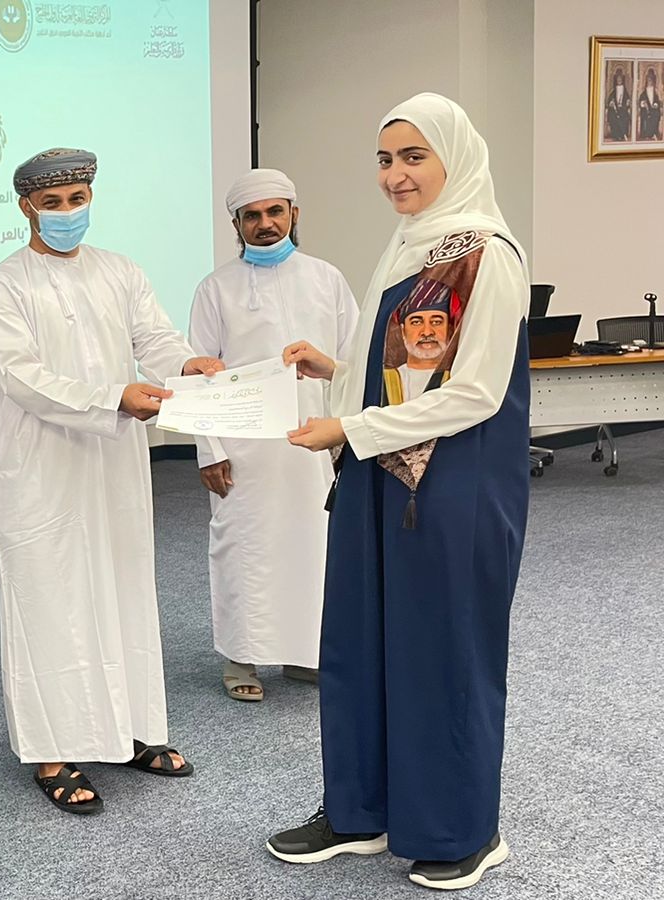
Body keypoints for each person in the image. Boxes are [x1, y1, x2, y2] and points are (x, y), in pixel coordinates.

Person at [268, 93, 529, 892]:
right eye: (385, 159)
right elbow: (407, 366)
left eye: (414, 157)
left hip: (453, 487)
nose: (395, 175)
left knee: (443, 651)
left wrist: (350, 428)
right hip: (376, 478)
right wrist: (337, 373)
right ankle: (362, 810)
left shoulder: (487, 255)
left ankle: (463, 830)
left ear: (455, 158)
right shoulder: (409, 246)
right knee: (360, 642)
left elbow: (475, 393)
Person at [0, 147, 222, 816]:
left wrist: (186, 364)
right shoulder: (2, 287)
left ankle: (131, 729)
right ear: (26, 207)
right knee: (49, 601)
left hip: (113, 462)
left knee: (124, 586)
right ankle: (51, 751)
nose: (66, 212)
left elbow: (154, 337)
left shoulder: (119, 270)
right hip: (40, 467)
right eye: (52, 203)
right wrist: (113, 397)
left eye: (76, 199)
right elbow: (22, 378)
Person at [188, 169, 358, 702]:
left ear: (294, 214)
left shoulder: (327, 278)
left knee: (313, 546)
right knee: (243, 548)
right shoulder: (216, 288)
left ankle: (304, 653)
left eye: (275, 212)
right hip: (243, 451)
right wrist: (208, 451)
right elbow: (197, 375)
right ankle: (240, 656)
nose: (265, 224)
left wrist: (347, 434)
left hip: (314, 442)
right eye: (252, 216)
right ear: (237, 224)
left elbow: (353, 362)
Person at [606, 66, 632, 142]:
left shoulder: (625, 90)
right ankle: (616, 135)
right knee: (613, 117)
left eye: (620, 79)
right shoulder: (613, 91)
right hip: (615, 110)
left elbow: (628, 99)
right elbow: (610, 100)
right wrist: (611, 103)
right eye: (618, 79)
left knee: (624, 117)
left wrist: (627, 102)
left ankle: (623, 135)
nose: (619, 80)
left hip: (623, 109)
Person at [638, 67, 662, 141]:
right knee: (646, 116)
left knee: (656, 115)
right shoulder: (643, 93)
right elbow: (640, 102)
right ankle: (647, 134)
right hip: (645, 110)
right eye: (648, 81)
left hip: (653, 110)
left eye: (651, 80)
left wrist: (656, 105)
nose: (650, 82)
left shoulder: (655, 93)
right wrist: (643, 104)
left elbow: (657, 101)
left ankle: (654, 133)